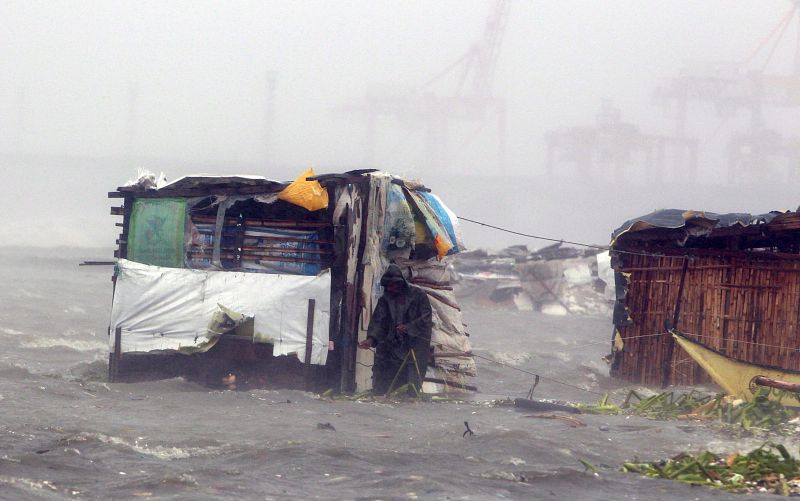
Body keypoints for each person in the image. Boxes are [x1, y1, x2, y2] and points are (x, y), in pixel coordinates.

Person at [358, 264, 433, 395]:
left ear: (401, 284)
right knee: (384, 384)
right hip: (391, 347)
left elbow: (426, 319)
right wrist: (370, 340)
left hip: (413, 347)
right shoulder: (385, 300)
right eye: (388, 286)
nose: (391, 289)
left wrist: (408, 328)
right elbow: (378, 322)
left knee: (411, 385)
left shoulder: (419, 296)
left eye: (393, 285)